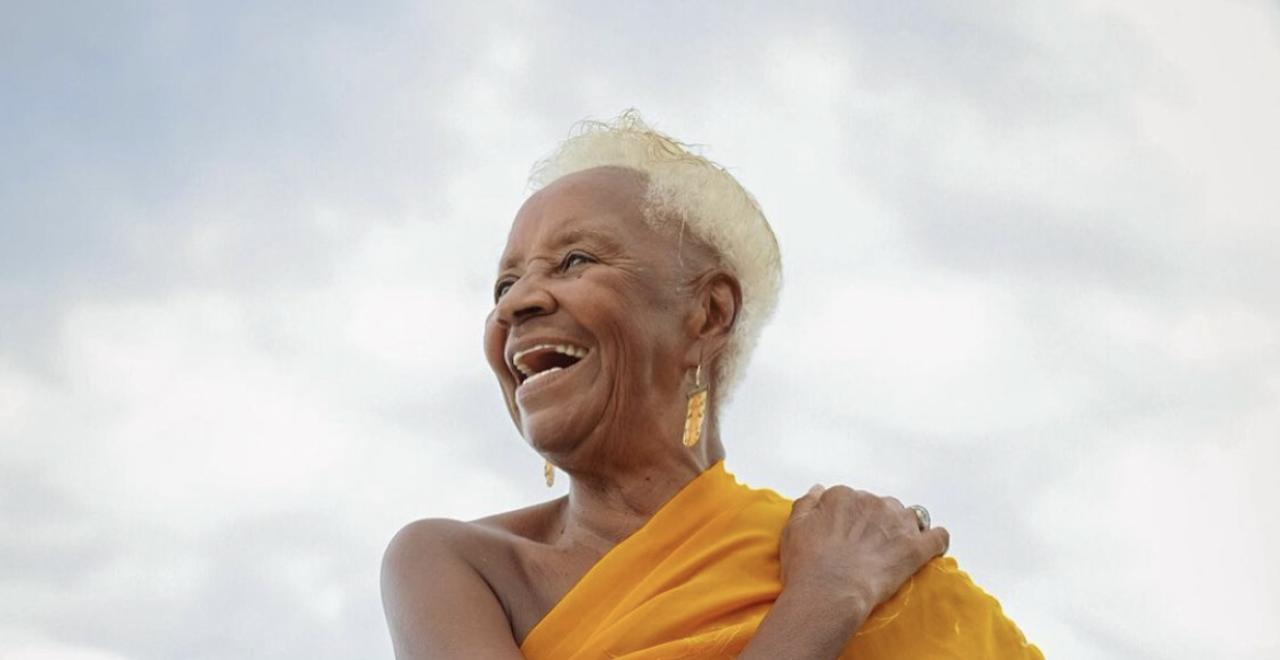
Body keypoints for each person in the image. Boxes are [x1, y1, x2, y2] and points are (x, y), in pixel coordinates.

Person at [381, 111, 1043, 659]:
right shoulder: (454, 565)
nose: (515, 304)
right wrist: (822, 603)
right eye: (504, 283)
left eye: (573, 260)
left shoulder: (871, 559)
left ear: (708, 313)